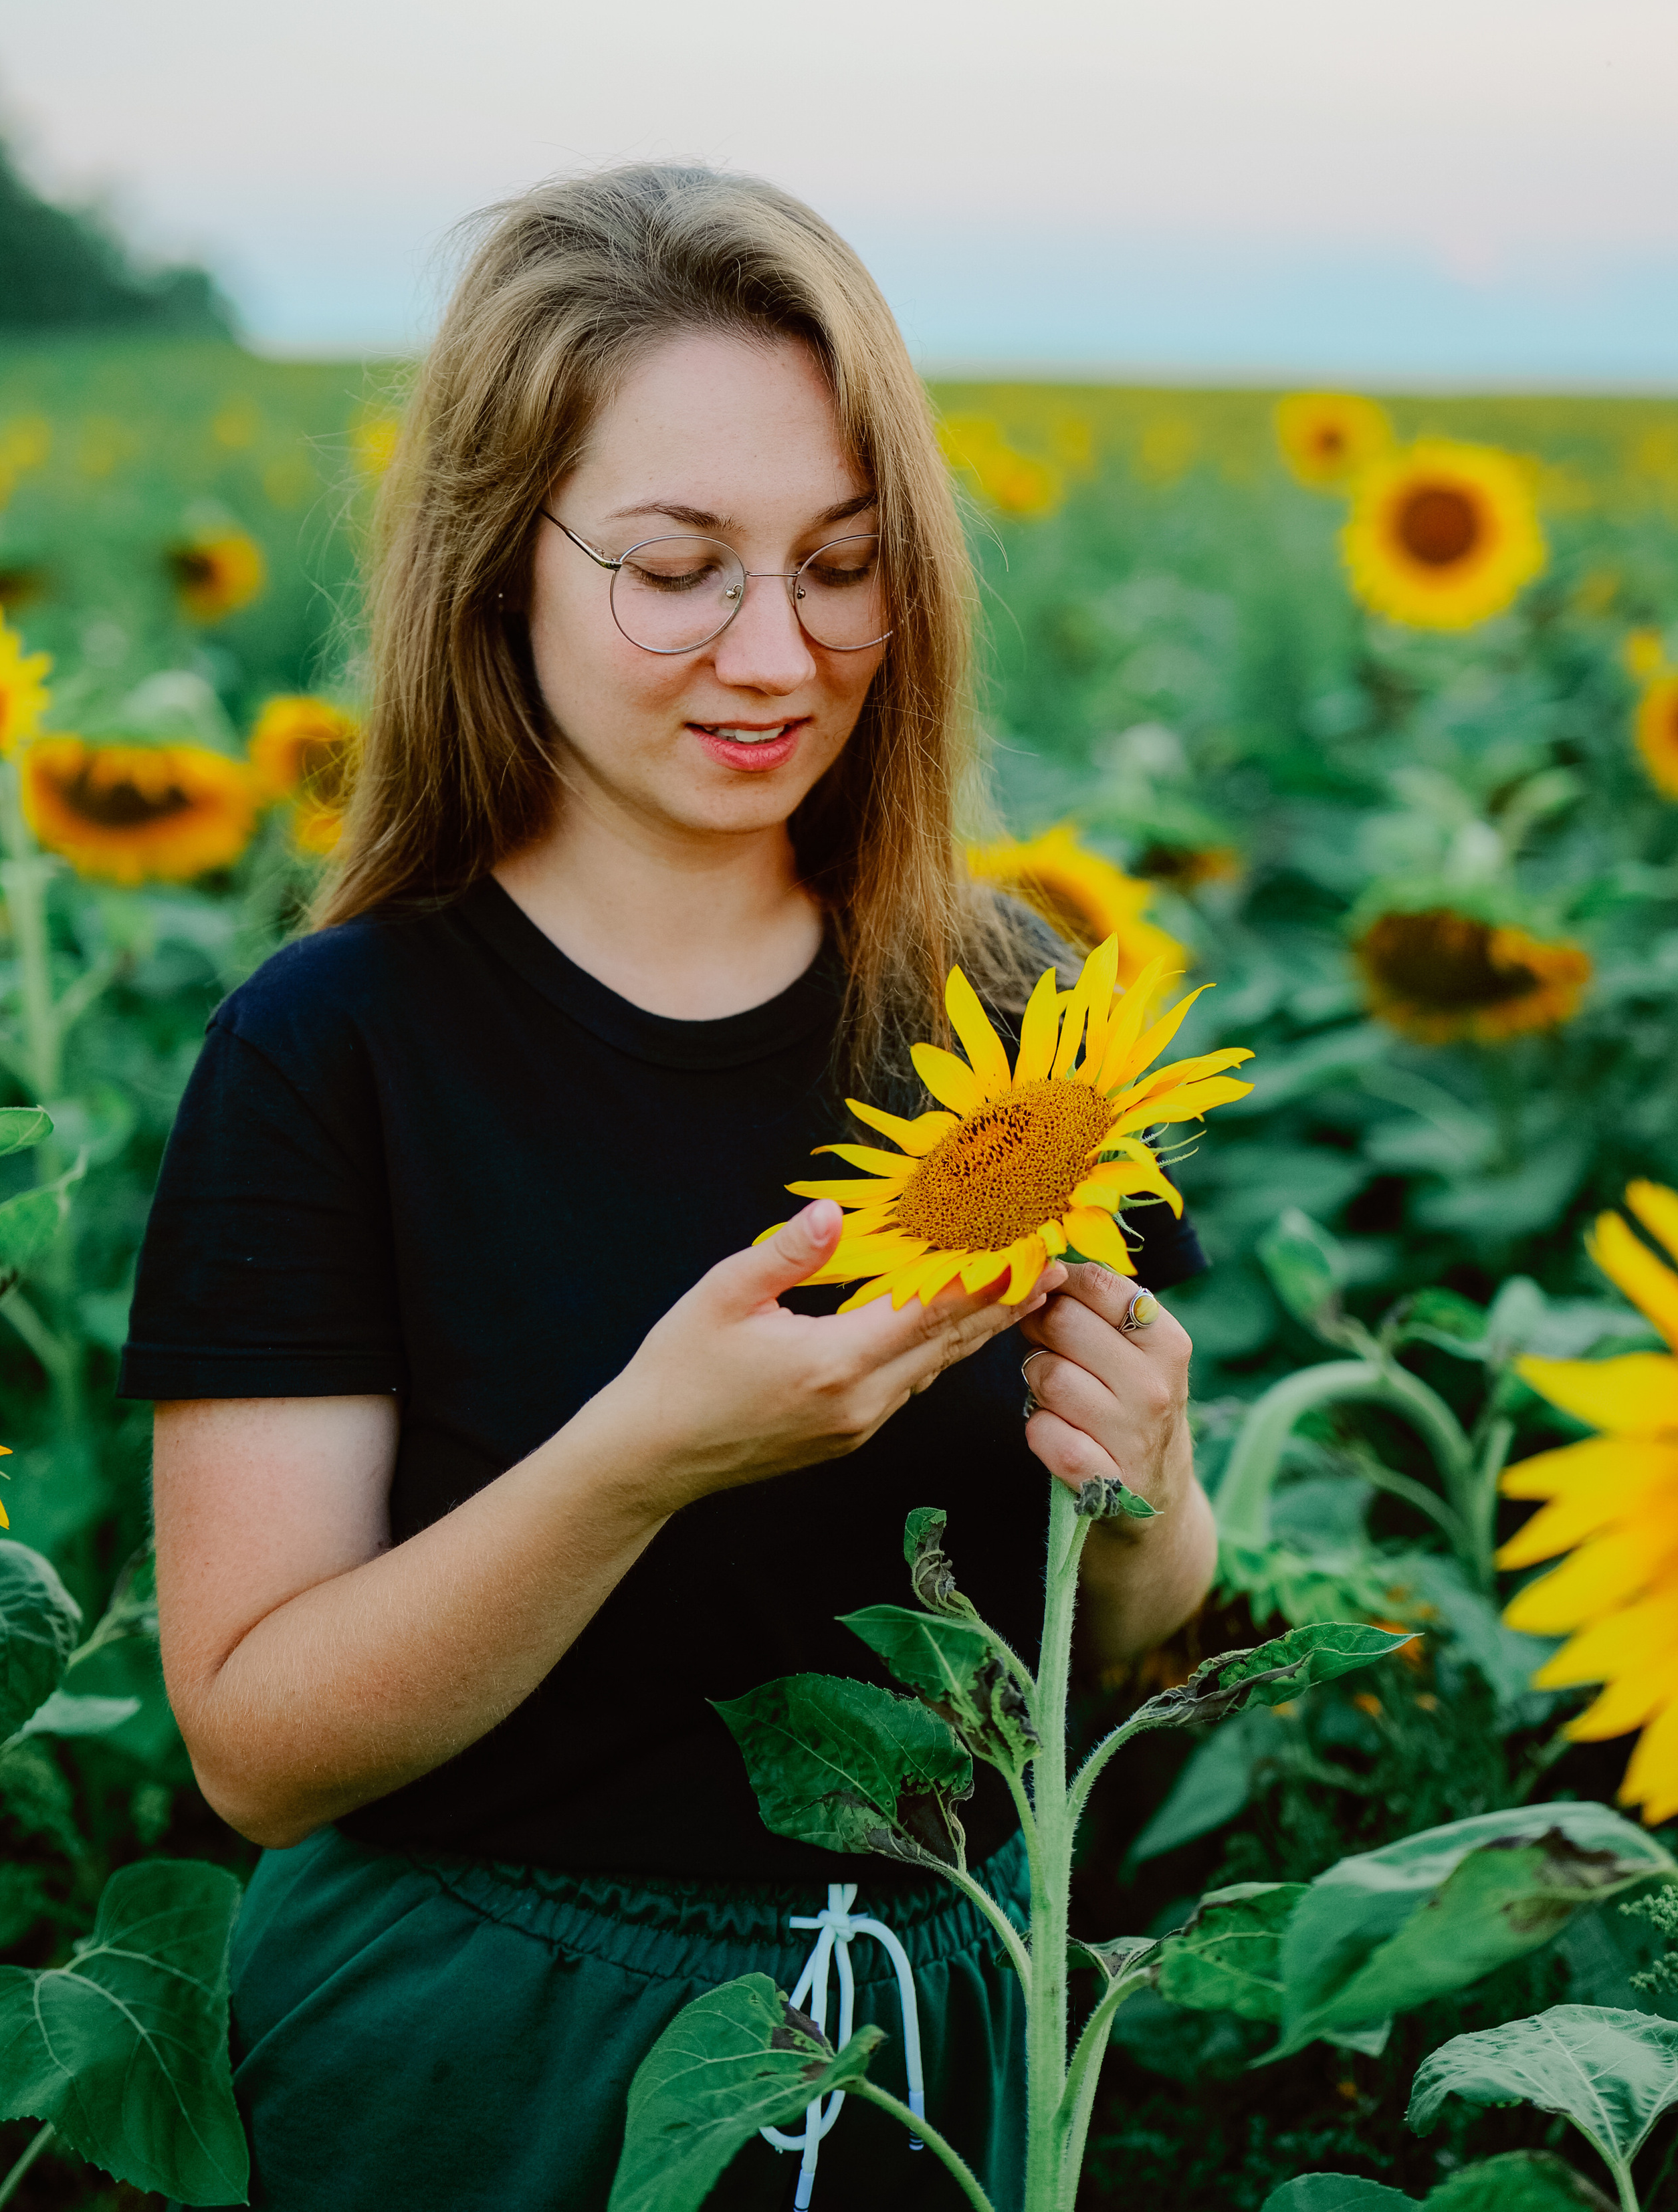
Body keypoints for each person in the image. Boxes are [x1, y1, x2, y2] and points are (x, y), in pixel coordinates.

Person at [121, 165, 1217, 2211]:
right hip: (473, 2063)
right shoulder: (335, 1049)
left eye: (841, 563)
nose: (776, 651)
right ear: (496, 566)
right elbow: (257, 1743)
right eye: (676, 567)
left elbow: (1136, 1619)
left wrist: (1148, 1490)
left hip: (938, 2046)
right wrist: (636, 1459)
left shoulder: (1014, 1013)